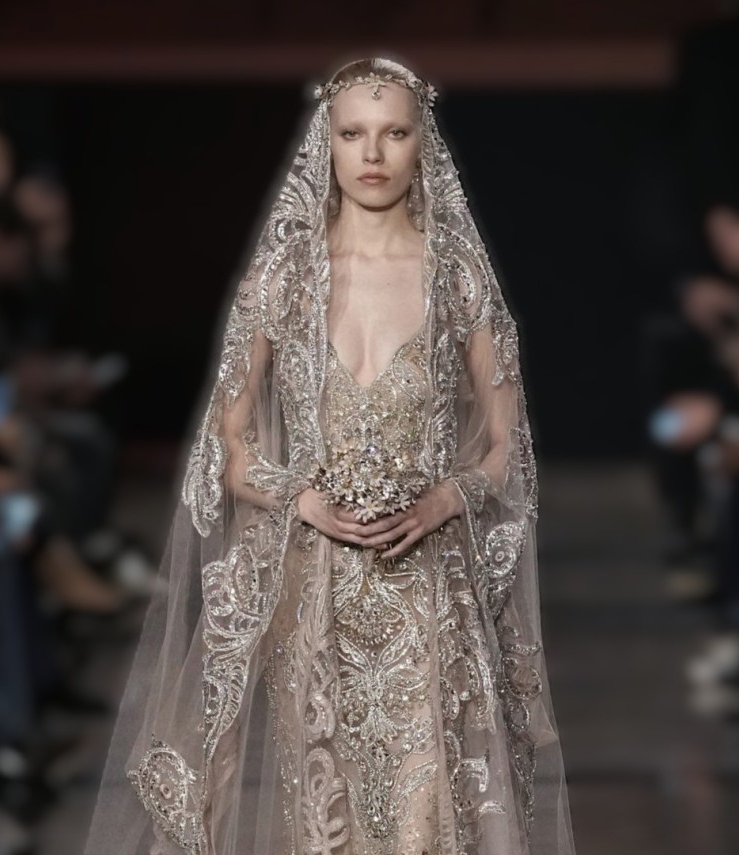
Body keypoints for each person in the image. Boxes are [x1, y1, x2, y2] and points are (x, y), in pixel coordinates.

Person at [83, 57, 575, 854]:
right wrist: (299, 498)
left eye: (393, 133)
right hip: (313, 590)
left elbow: (505, 446)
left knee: (424, 824)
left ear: (422, 144)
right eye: (352, 133)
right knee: (327, 823)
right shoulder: (284, 280)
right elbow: (226, 450)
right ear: (327, 143)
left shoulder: (455, 280)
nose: (372, 153)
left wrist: (446, 497)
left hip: (429, 589)